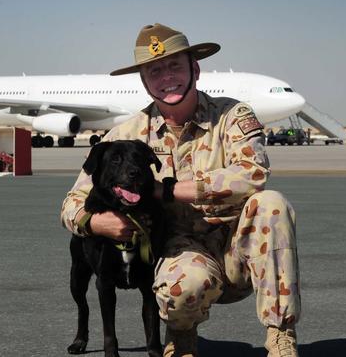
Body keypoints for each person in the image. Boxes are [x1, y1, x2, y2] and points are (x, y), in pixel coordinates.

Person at [61, 24, 300, 357]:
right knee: (181, 281)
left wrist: (169, 192)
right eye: (154, 70)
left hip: (238, 249)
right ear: (145, 81)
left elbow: (252, 174)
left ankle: (280, 337)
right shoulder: (127, 134)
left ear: (195, 69)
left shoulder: (231, 116)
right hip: (182, 255)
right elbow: (71, 204)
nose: (166, 76)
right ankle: (182, 334)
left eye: (175, 65)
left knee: (271, 203)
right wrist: (97, 223)